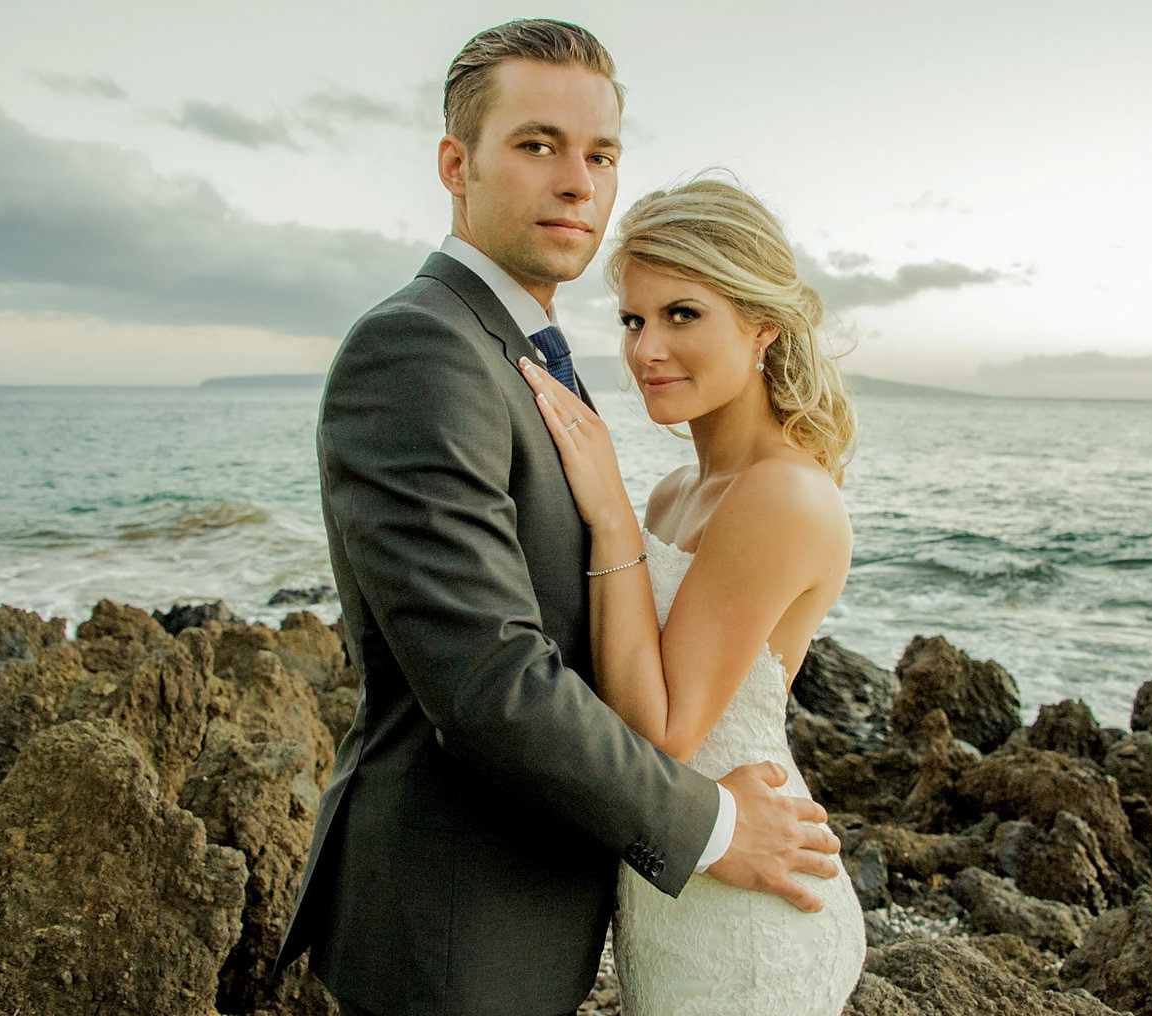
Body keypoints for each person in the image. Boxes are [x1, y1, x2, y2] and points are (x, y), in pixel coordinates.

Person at [273, 20, 843, 1016]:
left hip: (569, 909)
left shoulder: (519, 351)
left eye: (600, 154)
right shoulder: (420, 348)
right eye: (537, 145)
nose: (577, 182)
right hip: (458, 924)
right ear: (457, 164)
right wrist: (713, 824)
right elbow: (491, 679)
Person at [519, 177, 866, 1014]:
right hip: (681, 880)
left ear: (762, 328)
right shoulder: (679, 490)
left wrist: (606, 515)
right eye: (634, 320)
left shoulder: (783, 493)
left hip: (748, 923)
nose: (646, 350)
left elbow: (663, 734)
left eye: (683, 314)